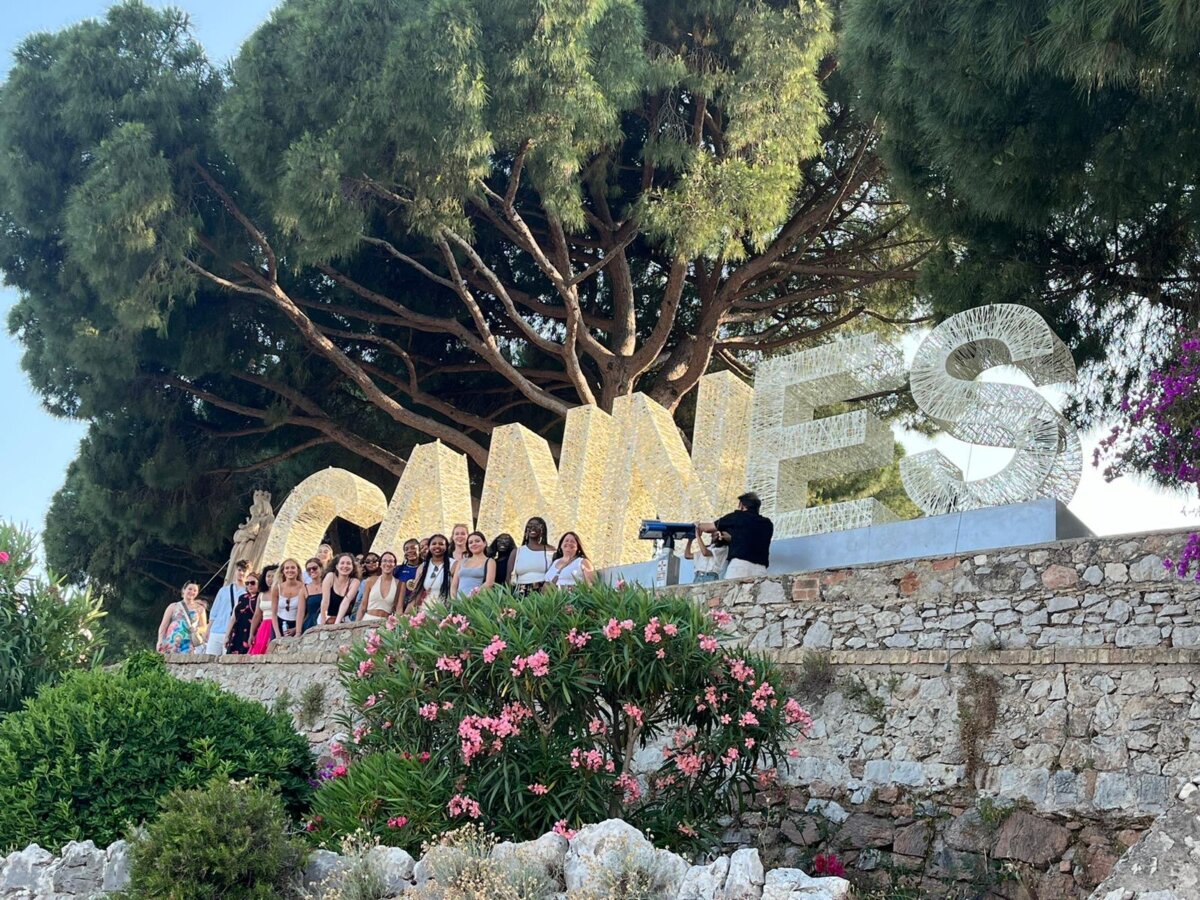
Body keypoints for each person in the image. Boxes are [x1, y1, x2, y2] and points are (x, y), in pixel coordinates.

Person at [698, 491, 774, 579]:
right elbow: (750, 538)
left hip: (740, 566)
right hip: (761, 569)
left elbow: (708, 528)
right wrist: (731, 538)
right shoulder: (767, 524)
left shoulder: (737, 516)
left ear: (742, 505)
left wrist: (697, 526)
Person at [206, 560, 248, 655]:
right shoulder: (223, 590)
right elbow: (214, 611)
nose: (241, 573)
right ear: (235, 571)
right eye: (239, 570)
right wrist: (208, 629)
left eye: (244, 571)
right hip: (217, 629)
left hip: (234, 632)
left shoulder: (247, 593)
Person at [156, 583, 208, 654]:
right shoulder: (173, 606)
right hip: (171, 641)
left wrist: (197, 629)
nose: (192, 592)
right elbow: (163, 625)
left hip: (188, 642)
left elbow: (204, 627)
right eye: (190, 589)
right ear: (184, 590)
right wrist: (160, 640)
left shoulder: (200, 609)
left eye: (195, 590)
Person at [509, 516, 553, 595]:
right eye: (530, 525)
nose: (533, 527)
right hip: (520, 594)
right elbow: (508, 578)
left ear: (543, 529)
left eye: (537, 525)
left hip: (542, 594)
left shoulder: (551, 551)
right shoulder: (517, 552)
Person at [407, 534, 451, 609]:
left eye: (441, 544)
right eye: (434, 544)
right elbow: (417, 592)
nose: (437, 546)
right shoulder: (422, 567)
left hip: (445, 609)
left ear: (447, 547)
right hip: (427, 608)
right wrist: (407, 612)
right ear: (429, 547)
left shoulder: (454, 564)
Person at [451, 531, 496, 598]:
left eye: (477, 541)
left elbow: (489, 583)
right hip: (459, 603)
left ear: (484, 543)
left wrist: (471, 597)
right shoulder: (461, 562)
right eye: (470, 542)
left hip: (477, 602)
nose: (474, 544)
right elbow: (454, 585)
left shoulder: (490, 562)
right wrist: (454, 601)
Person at [319, 553, 361, 624]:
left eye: (348, 563)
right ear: (337, 566)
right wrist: (323, 622)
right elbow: (325, 601)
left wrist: (337, 624)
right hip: (326, 616)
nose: (345, 566)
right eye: (342, 563)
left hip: (343, 619)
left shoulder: (355, 582)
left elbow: (345, 603)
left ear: (352, 567)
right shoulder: (330, 576)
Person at [359, 551, 401, 620]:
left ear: (395, 565)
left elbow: (399, 609)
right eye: (384, 561)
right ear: (380, 564)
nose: (387, 564)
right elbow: (363, 606)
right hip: (367, 619)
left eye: (391, 561)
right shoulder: (370, 581)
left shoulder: (399, 584)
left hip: (386, 624)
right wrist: (356, 624)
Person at [225, 573, 261, 654]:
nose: (250, 585)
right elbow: (233, 618)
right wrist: (227, 636)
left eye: (252, 583)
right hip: (238, 632)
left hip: (252, 632)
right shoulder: (241, 597)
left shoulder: (260, 597)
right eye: (247, 583)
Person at [247, 572, 279, 656]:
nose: (270, 579)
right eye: (268, 576)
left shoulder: (280, 592)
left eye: (273, 576)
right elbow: (257, 615)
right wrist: (251, 634)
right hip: (263, 626)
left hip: (275, 624)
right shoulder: (261, 595)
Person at [274, 558, 306, 638]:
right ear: (283, 571)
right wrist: (277, 633)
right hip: (279, 624)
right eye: (287, 568)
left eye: (292, 567)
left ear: (297, 570)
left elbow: (303, 612)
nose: (290, 570)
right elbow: (274, 613)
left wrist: (296, 629)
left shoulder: (304, 587)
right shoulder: (277, 588)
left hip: (296, 624)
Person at [350, 552, 381, 621]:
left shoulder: (385, 578)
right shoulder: (361, 581)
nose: (371, 563)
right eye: (367, 561)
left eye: (374, 560)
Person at [302, 557, 325, 633]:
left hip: (325, 622)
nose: (311, 571)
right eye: (308, 569)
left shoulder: (328, 585)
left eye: (314, 568)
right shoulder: (305, 589)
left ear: (321, 568)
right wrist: (298, 632)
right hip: (309, 624)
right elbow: (300, 613)